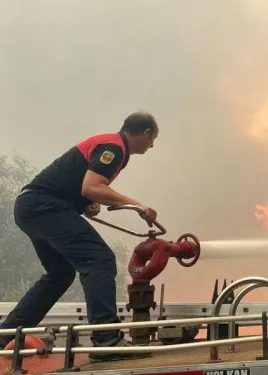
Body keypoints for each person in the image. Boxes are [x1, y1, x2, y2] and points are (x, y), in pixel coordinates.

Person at [0, 111, 160, 362]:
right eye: (152, 140)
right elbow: (92, 186)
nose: (151, 146)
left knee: (60, 274)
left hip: (31, 206)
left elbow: (84, 188)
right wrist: (139, 206)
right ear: (146, 133)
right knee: (100, 259)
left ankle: (6, 334)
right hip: (44, 206)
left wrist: (86, 203)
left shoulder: (111, 145)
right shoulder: (114, 147)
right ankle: (106, 342)